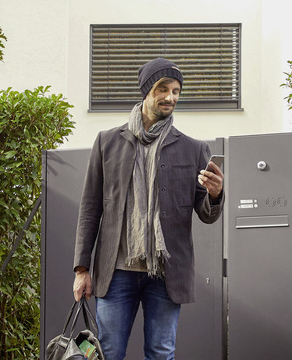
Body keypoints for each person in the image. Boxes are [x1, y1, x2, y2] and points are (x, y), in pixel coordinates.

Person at [72, 57, 224, 360]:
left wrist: (216, 194)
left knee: (161, 352)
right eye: (163, 89)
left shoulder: (193, 148)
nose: (170, 97)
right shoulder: (107, 142)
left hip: (166, 273)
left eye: (177, 91)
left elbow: (206, 214)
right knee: (109, 352)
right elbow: (90, 208)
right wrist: (81, 269)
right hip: (116, 272)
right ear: (146, 91)